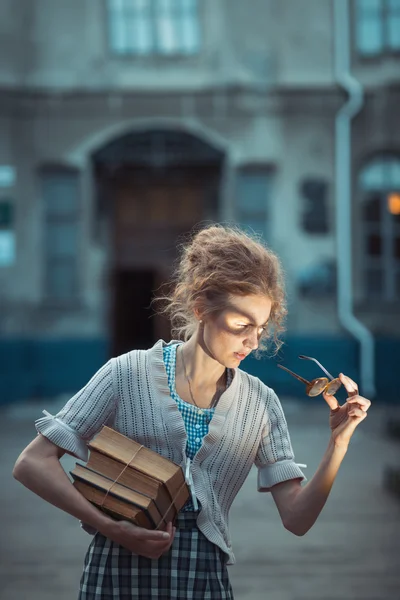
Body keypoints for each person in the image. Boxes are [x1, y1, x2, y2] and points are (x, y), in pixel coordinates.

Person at [13, 224, 371, 599]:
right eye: (240, 324)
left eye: (261, 328)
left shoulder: (260, 403)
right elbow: (32, 463)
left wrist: (338, 445)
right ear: (201, 309)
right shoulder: (127, 372)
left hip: (203, 581)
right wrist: (114, 528)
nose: (252, 341)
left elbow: (296, 520)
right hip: (116, 574)